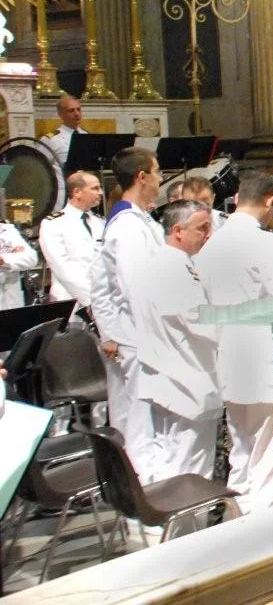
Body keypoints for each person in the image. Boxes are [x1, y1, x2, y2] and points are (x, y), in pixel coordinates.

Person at [195, 170, 273, 513]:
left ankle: (235, 515)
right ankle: (260, 534)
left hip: (226, 357)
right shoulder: (266, 242)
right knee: (268, 457)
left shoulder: (211, 244)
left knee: (241, 450)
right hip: (262, 356)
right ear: (271, 200)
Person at [88, 146, 165, 475]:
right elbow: (137, 288)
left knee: (136, 417)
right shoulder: (128, 226)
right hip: (137, 334)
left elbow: (101, 283)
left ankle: (137, 494)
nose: (161, 179)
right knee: (139, 421)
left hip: (130, 333)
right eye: (158, 171)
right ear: (141, 176)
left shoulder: (136, 220)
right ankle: (144, 498)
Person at [132, 200, 217, 483]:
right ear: (178, 230)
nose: (208, 234)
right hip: (185, 377)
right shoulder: (172, 268)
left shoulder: (162, 263)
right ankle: (187, 526)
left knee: (171, 454)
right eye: (202, 228)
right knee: (189, 463)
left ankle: (171, 522)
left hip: (171, 374)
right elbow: (199, 320)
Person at [39, 170, 105, 308]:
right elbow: (61, 266)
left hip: (103, 300)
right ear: (77, 192)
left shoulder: (101, 222)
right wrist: (91, 299)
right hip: (70, 300)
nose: (101, 193)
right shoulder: (53, 223)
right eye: (95, 188)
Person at [0, 214, 38, 310]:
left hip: (12, 305)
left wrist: (4, 259)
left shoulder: (6, 229)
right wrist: (12, 255)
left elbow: (31, 258)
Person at [41, 95, 88, 169]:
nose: (76, 114)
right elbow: (40, 165)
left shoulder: (85, 134)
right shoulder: (50, 139)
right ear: (61, 114)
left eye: (78, 109)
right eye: (71, 110)